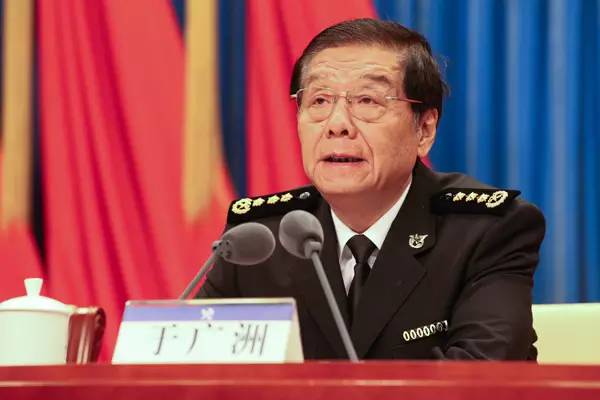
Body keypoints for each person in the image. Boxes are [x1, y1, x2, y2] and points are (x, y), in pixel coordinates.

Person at [199, 18, 545, 360]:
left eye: (367, 100)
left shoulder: (485, 232)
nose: (337, 124)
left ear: (424, 130)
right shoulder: (258, 239)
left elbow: (480, 375)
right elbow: (193, 366)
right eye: (319, 101)